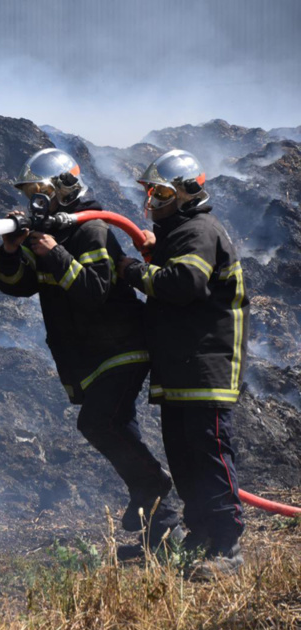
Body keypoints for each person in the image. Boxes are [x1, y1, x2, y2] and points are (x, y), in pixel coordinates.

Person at [0, 148, 180, 551]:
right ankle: (162, 535)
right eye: (30, 195)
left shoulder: (90, 230)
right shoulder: (51, 237)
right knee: (116, 427)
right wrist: (11, 250)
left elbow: (94, 292)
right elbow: (16, 286)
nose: (33, 202)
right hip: (90, 356)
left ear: (63, 190)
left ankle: (154, 484)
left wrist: (54, 253)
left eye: (39, 192)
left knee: (98, 424)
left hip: (121, 349)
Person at [118, 149, 248, 578]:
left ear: (188, 192)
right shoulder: (182, 232)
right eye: (151, 192)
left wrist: (136, 272)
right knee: (184, 458)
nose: (152, 201)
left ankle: (226, 548)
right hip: (180, 368)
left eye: (160, 192)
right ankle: (201, 535)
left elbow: (186, 283)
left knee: (209, 457)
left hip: (204, 368)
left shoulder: (199, 230)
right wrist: (156, 255)